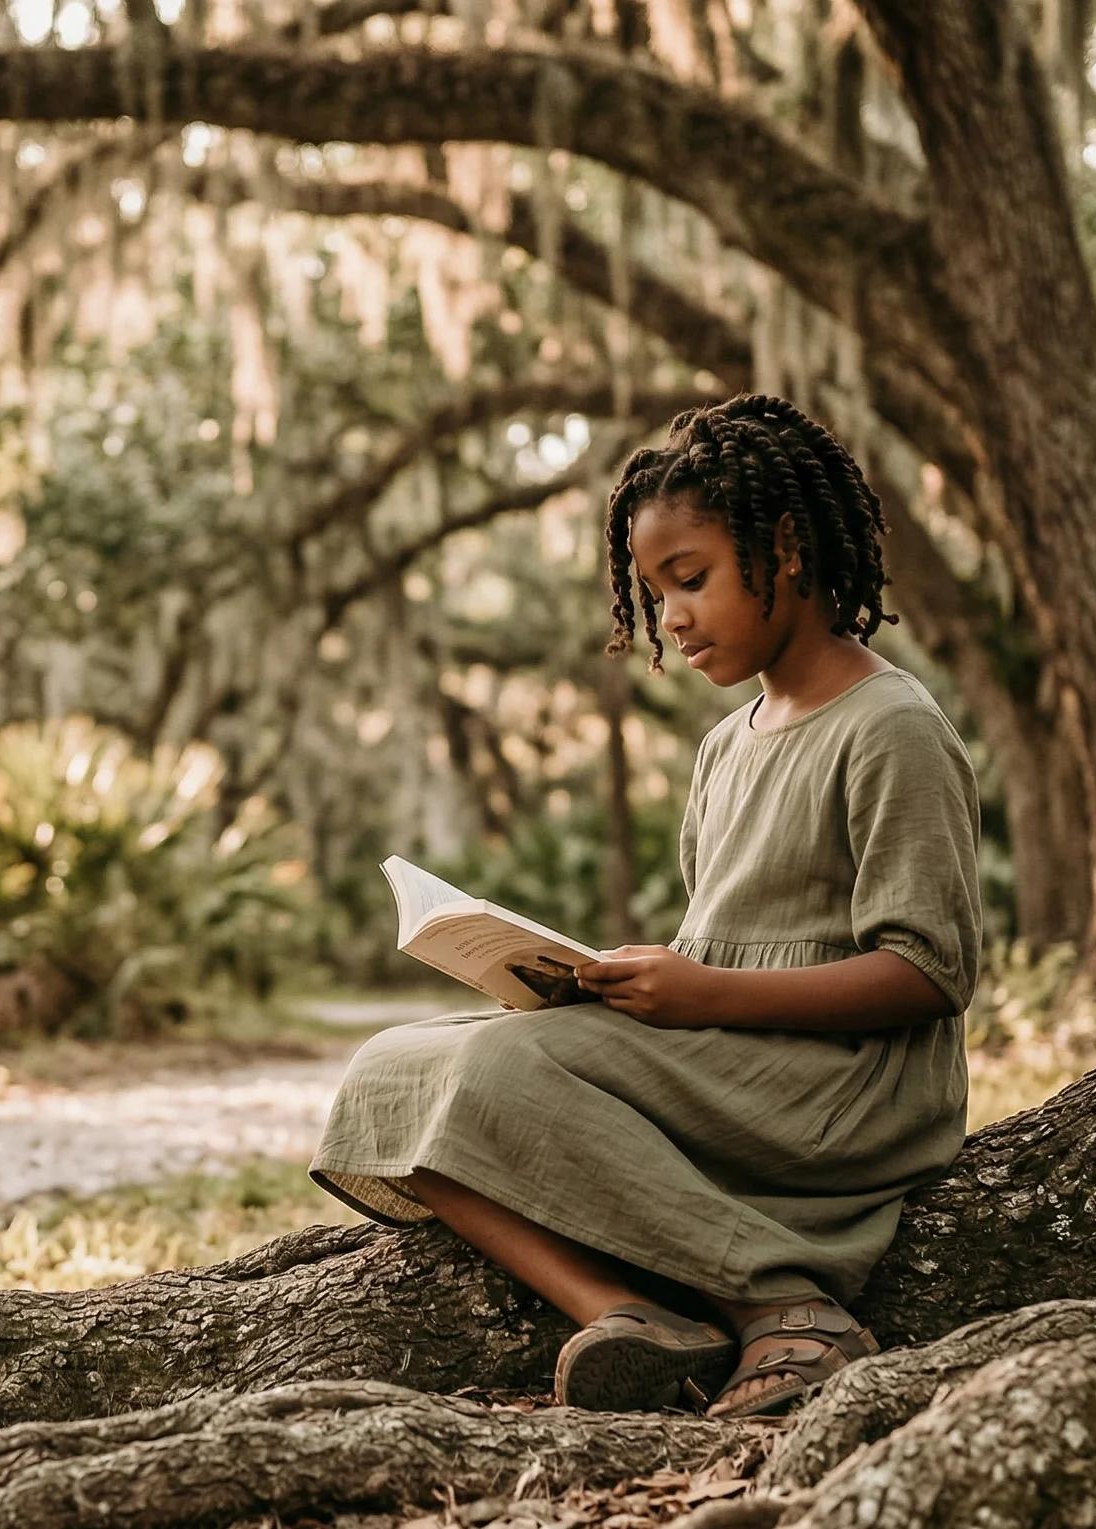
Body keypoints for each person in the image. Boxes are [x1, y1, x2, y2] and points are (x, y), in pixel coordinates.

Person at [308, 394, 981, 1418]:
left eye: (692, 579)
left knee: (494, 1066)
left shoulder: (889, 725)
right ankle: (632, 1316)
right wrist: (623, 979)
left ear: (788, 547)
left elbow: (929, 973)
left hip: (848, 1088)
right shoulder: (727, 745)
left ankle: (783, 1303)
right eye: (654, 590)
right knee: (388, 1073)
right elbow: (724, 936)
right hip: (737, 1057)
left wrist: (703, 989)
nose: (669, 618)